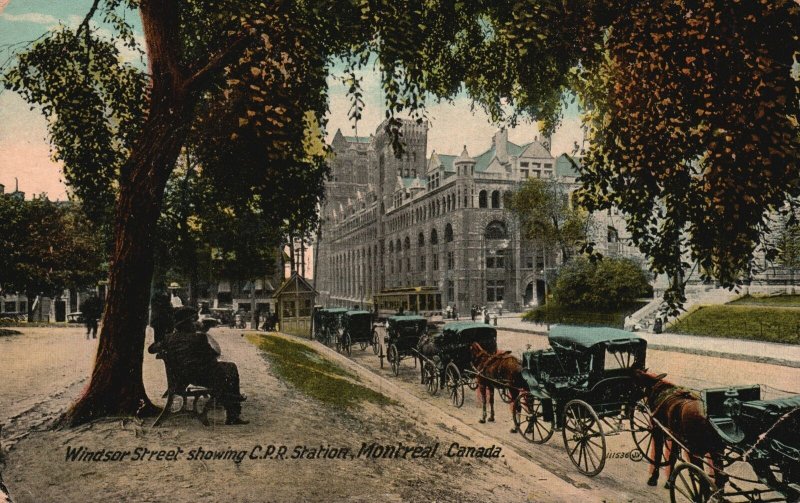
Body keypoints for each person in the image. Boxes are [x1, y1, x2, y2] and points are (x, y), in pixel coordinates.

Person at [149, 307, 248, 425]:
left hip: (181, 378)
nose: (194, 325)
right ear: (187, 324)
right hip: (200, 377)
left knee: (227, 369)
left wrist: (165, 345)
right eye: (192, 322)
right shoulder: (198, 338)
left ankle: (234, 398)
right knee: (230, 369)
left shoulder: (169, 338)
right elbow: (213, 355)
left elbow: (151, 349)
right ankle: (233, 410)